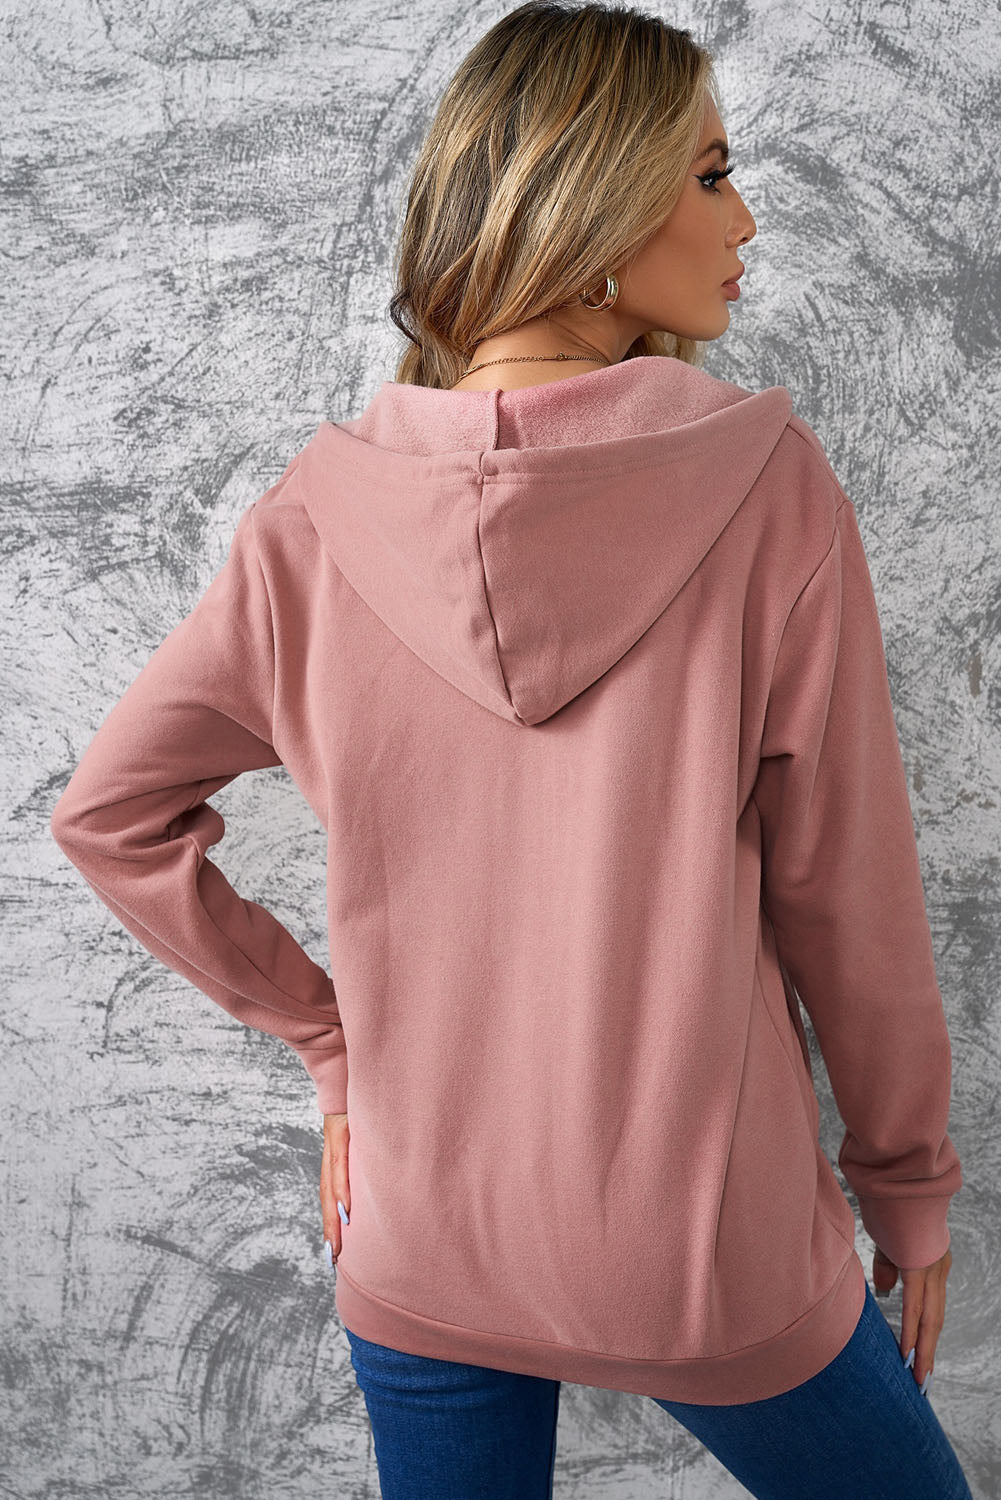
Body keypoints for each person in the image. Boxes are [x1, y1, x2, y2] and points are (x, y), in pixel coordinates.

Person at [49, 2, 972, 1496]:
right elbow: (845, 900)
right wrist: (908, 1188)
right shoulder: (767, 493)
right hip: (704, 1253)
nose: (743, 218)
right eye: (711, 174)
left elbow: (109, 816)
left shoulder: (311, 521)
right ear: (593, 211)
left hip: (418, 1232)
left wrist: (332, 1045)